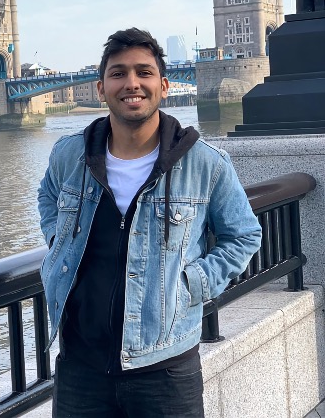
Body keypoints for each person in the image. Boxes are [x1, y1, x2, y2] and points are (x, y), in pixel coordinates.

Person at [38, 28, 262, 417]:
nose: (132, 83)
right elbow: (47, 195)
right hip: (79, 366)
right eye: (118, 73)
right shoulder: (69, 154)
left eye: (144, 72)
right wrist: (60, 240)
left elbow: (243, 236)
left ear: (164, 86)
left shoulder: (206, 163)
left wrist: (191, 286)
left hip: (165, 368)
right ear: (101, 88)